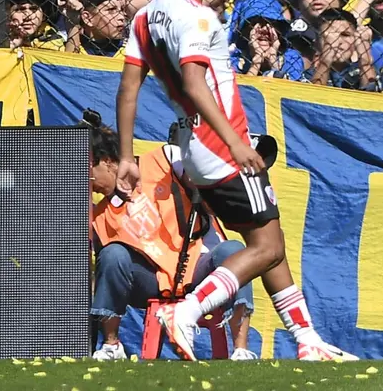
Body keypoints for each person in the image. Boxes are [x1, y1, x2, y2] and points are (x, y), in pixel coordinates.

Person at [115, 0, 355, 361]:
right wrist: (236, 143)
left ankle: (307, 341)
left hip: (191, 146)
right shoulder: (198, 18)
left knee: (268, 241)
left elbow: (129, 88)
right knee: (267, 247)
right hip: (221, 144)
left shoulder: (147, 16)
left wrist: (126, 156)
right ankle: (187, 311)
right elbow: (194, 82)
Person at [87, 111, 257, 361]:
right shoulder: (98, 214)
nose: (87, 180)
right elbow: (104, 273)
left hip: (199, 267)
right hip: (150, 281)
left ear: (109, 161)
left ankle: (241, 350)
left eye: (87, 169)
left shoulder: (163, 159)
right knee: (112, 255)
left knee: (234, 251)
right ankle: (112, 346)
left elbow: (208, 189)